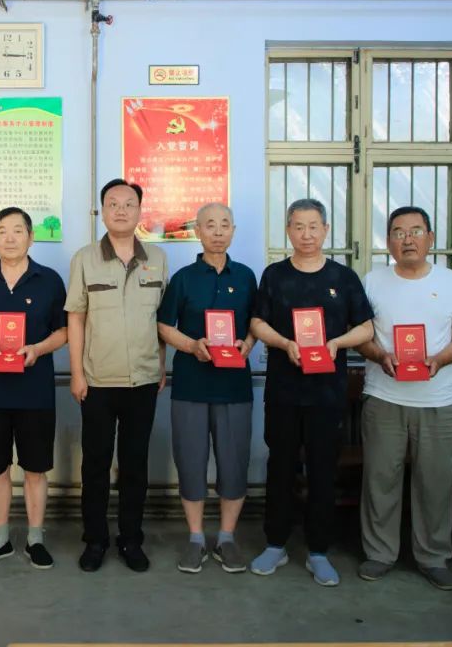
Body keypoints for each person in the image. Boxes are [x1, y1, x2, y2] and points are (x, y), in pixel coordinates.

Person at [249, 198, 374, 587]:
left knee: (323, 471)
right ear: (288, 230)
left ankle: (319, 551)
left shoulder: (343, 277)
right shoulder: (274, 275)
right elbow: (257, 322)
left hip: (326, 394)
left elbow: (366, 327)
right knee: (280, 467)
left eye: (313, 226)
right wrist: (284, 343)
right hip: (284, 391)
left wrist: (337, 343)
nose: (306, 234)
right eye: (298, 226)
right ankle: (275, 544)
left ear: (326, 230)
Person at [356, 206, 452, 590]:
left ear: (430, 237)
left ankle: (433, 557)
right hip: (384, 397)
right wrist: (380, 355)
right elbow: (361, 336)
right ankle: (379, 553)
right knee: (380, 480)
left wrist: (440, 359)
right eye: (398, 232)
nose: (407, 239)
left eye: (416, 231)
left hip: (438, 401)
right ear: (388, 240)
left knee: (435, 483)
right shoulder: (372, 281)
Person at [65, 178, 168, 573]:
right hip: (97, 381)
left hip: (143, 380)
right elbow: (76, 318)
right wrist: (77, 373)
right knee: (95, 465)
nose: (121, 210)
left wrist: (160, 365)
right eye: (113, 204)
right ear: (102, 211)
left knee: (135, 465)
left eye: (129, 204)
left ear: (140, 211)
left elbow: (161, 320)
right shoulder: (85, 259)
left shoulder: (157, 257)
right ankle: (95, 540)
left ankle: (131, 539)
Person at [0, 207, 68, 570]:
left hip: (35, 391)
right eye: (2, 231)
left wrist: (37, 349)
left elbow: (64, 331)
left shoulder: (49, 280)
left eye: (18, 230)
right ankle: (0, 539)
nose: (10, 238)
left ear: (30, 237)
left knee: (36, 469)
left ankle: (36, 539)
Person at [156, 203, 257, 574]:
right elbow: (164, 326)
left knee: (234, 463)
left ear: (233, 231)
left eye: (224, 225)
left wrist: (248, 344)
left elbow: (256, 322)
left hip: (234, 388)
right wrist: (191, 346)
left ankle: (227, 537)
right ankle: (196, 538)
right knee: (191, 462)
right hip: (191, 386)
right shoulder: (183, 279)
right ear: (197, 231)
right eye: (209, 225)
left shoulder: (246, 276)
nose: (217, 231)